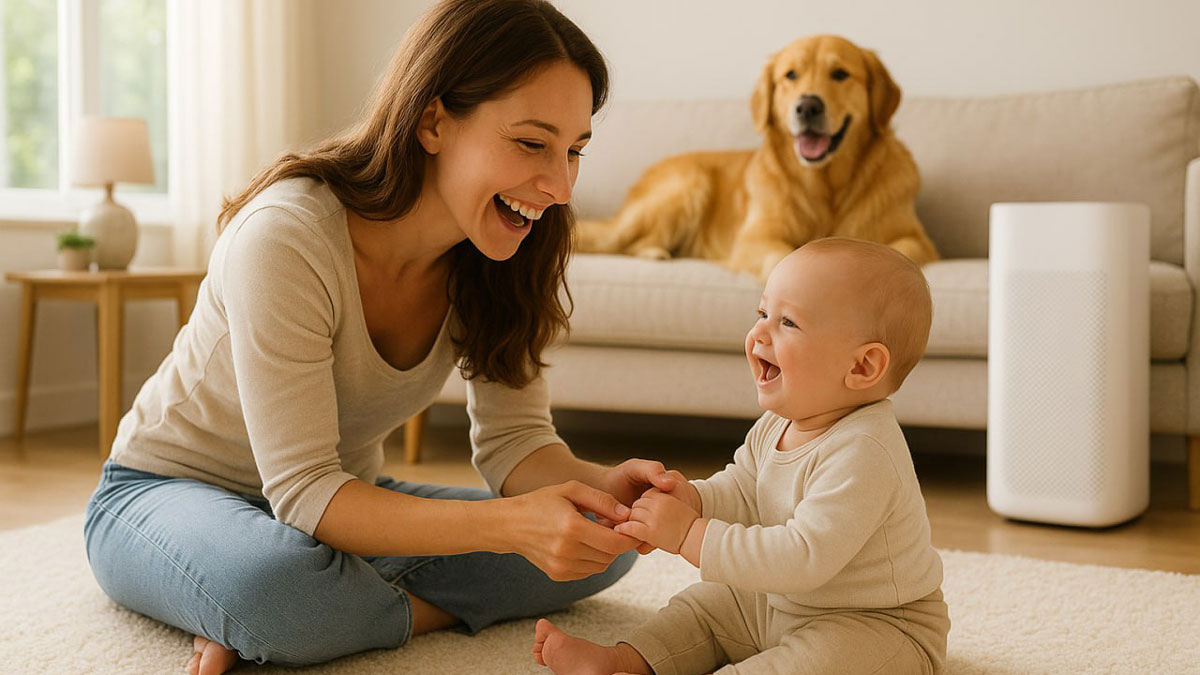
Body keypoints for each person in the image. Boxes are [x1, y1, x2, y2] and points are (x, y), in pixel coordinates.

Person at [82, 2, 677, 673]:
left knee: (607, 541)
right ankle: (277, 609)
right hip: (164, 492)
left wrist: (606, 489)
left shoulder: (504, 250)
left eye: (574, 150)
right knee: (274, 590)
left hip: (331, 518)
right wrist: (512, 526)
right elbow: (304, 490)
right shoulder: (287, 236)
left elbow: (517, 444)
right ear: (433, 121)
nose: (561, 186)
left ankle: (294, 618)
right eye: (532, 143)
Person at [534, 238, 951, 675]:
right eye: (762, 314)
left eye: (788, 322)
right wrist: (692, 499)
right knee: (707, 606)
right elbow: (743, 489)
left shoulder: (865, 451)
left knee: (813, 663)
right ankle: (625, 660)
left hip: (876, 625)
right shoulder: (778, 425)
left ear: (862, 367)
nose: (759, 334)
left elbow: (803, 556)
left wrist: (690, 535)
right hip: (782, 603)